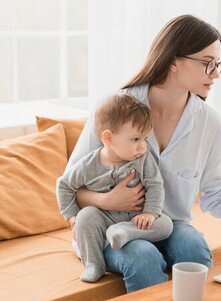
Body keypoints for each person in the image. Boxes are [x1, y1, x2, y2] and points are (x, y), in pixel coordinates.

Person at [67, 14, 221, 292]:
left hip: (167, 226)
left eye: (218, 64)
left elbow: (216, 197)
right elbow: (70, 186)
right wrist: (107, 199)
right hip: (108, 228)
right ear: (173, 61)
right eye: (207, 63)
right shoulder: (114, 109)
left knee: (193, 247)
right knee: (143, 257)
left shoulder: (211, 125)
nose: (215, 74)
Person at [57, 93, 173, 283]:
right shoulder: (87, 165)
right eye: (136, 139)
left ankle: (125, 232)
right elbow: (64, 186)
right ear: (108, 138)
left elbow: (155, 184)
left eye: (145, 139)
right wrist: (71, 217)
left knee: (166, 224)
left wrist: (150, 213)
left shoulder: (143, 159)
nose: (143, 147)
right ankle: (93, 264)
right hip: (103, 219)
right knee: (86, 217)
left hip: (135, 220)